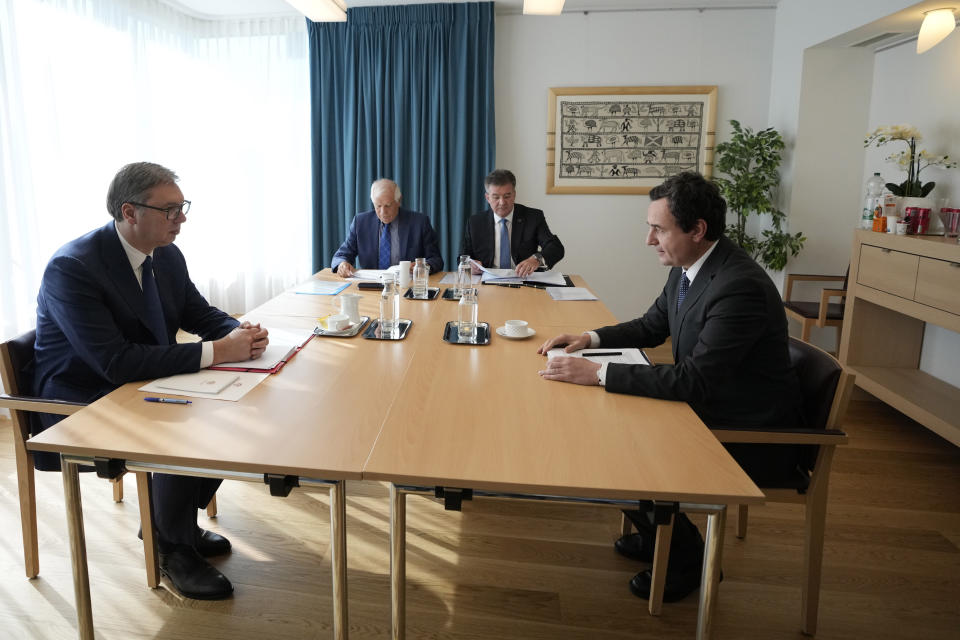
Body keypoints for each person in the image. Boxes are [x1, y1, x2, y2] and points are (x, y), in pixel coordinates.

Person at [536, 171, 803, 603]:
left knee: (621, 441)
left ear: (697, 230)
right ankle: (658, 528)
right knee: (612, 426)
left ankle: (687, 560)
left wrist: (597, 373)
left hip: (750, 431)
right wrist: (590, 338)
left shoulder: (740, 288)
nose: (649, 240)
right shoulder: (691, 266)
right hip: (714, 405)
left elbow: (693, 381)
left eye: (658, 228)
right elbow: (652, 326)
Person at [33, 162, 270, 601]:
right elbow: (114, 362)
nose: (182, 220)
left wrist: (243, 333)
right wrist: (220, 351)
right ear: (130, 212)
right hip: (80, 400)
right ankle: (171, 547)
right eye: (171, 210)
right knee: (178, 419)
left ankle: (167, 519)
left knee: (225, 408)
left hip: (137, 385)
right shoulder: (74, 267)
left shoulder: (167, 254)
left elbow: (199, 314)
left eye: (183, 208)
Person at [461, 169, 564, 277]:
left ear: (514, 194)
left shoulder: (533, 217)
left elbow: (555, 247)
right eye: (496, 197)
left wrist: (536, 259)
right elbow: (463, 256)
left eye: (507, 196)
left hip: (523, 279)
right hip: (487, 281)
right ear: (487, 198)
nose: (502, 202)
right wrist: (469, 264)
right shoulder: (475, 222)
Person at [331, 178, 443, 276]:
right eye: (378, 206)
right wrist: (342, 264)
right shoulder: (360, 223)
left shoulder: (419, 222)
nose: (383, 212)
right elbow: (341, 255)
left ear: (398, 201)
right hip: (371, 288)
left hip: (407, 286)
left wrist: (423, 266)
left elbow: (436, 260)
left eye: (388, 205)